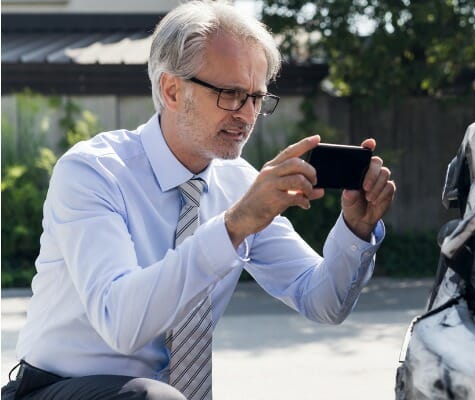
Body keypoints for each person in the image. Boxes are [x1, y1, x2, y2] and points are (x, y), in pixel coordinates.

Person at [1, 1, 395, 399]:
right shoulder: (93, 172)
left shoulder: (240, 184)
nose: (246, 115)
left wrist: (355, 231)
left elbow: (322, 301)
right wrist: (233, 226)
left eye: (257, 98)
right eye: (230, 94)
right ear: (172, 90)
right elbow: (120, 324)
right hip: (55, 389)